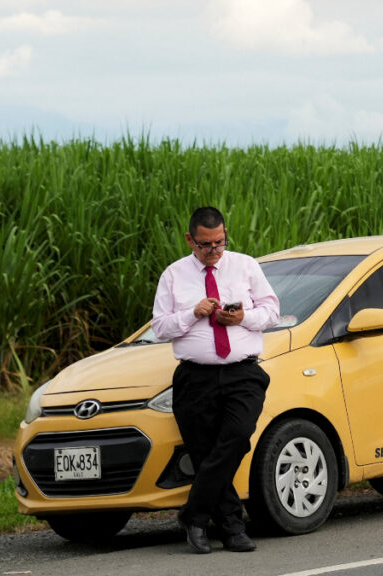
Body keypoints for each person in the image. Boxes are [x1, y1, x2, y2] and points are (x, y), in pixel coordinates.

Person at [151, 206, 279, 554]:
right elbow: (159, 326)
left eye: (219, 242)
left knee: (236, 438)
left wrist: (242, 318)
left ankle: (193, 514)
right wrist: (192, 314)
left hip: (242, 373)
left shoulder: (245, 266)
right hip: (195, 378)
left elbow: (272, 312)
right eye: (205, 244)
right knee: (206, 453)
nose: (213, 250)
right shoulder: (174, 275)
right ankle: (232, 529)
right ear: (190, 239)